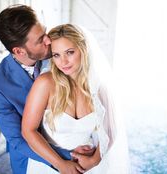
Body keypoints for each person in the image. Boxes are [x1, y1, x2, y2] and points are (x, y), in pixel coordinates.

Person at [0, 5, 93, 174]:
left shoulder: (59, 56)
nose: (49, 41)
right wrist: (64, 158)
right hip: (33, 159)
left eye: (45, 32)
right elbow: (18, 139)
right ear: (19, 51)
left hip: (79, 144)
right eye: (40, 39)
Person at [22, 24, 130, 174]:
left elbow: (111, 129)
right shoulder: (45, 84)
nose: (63, 62)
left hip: (89, 165)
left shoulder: (99, 87)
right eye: (56, 55)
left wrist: (94, 160)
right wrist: (60, 164)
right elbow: (28, 130)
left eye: (70, 52)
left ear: (84, 49)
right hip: (50, 165)